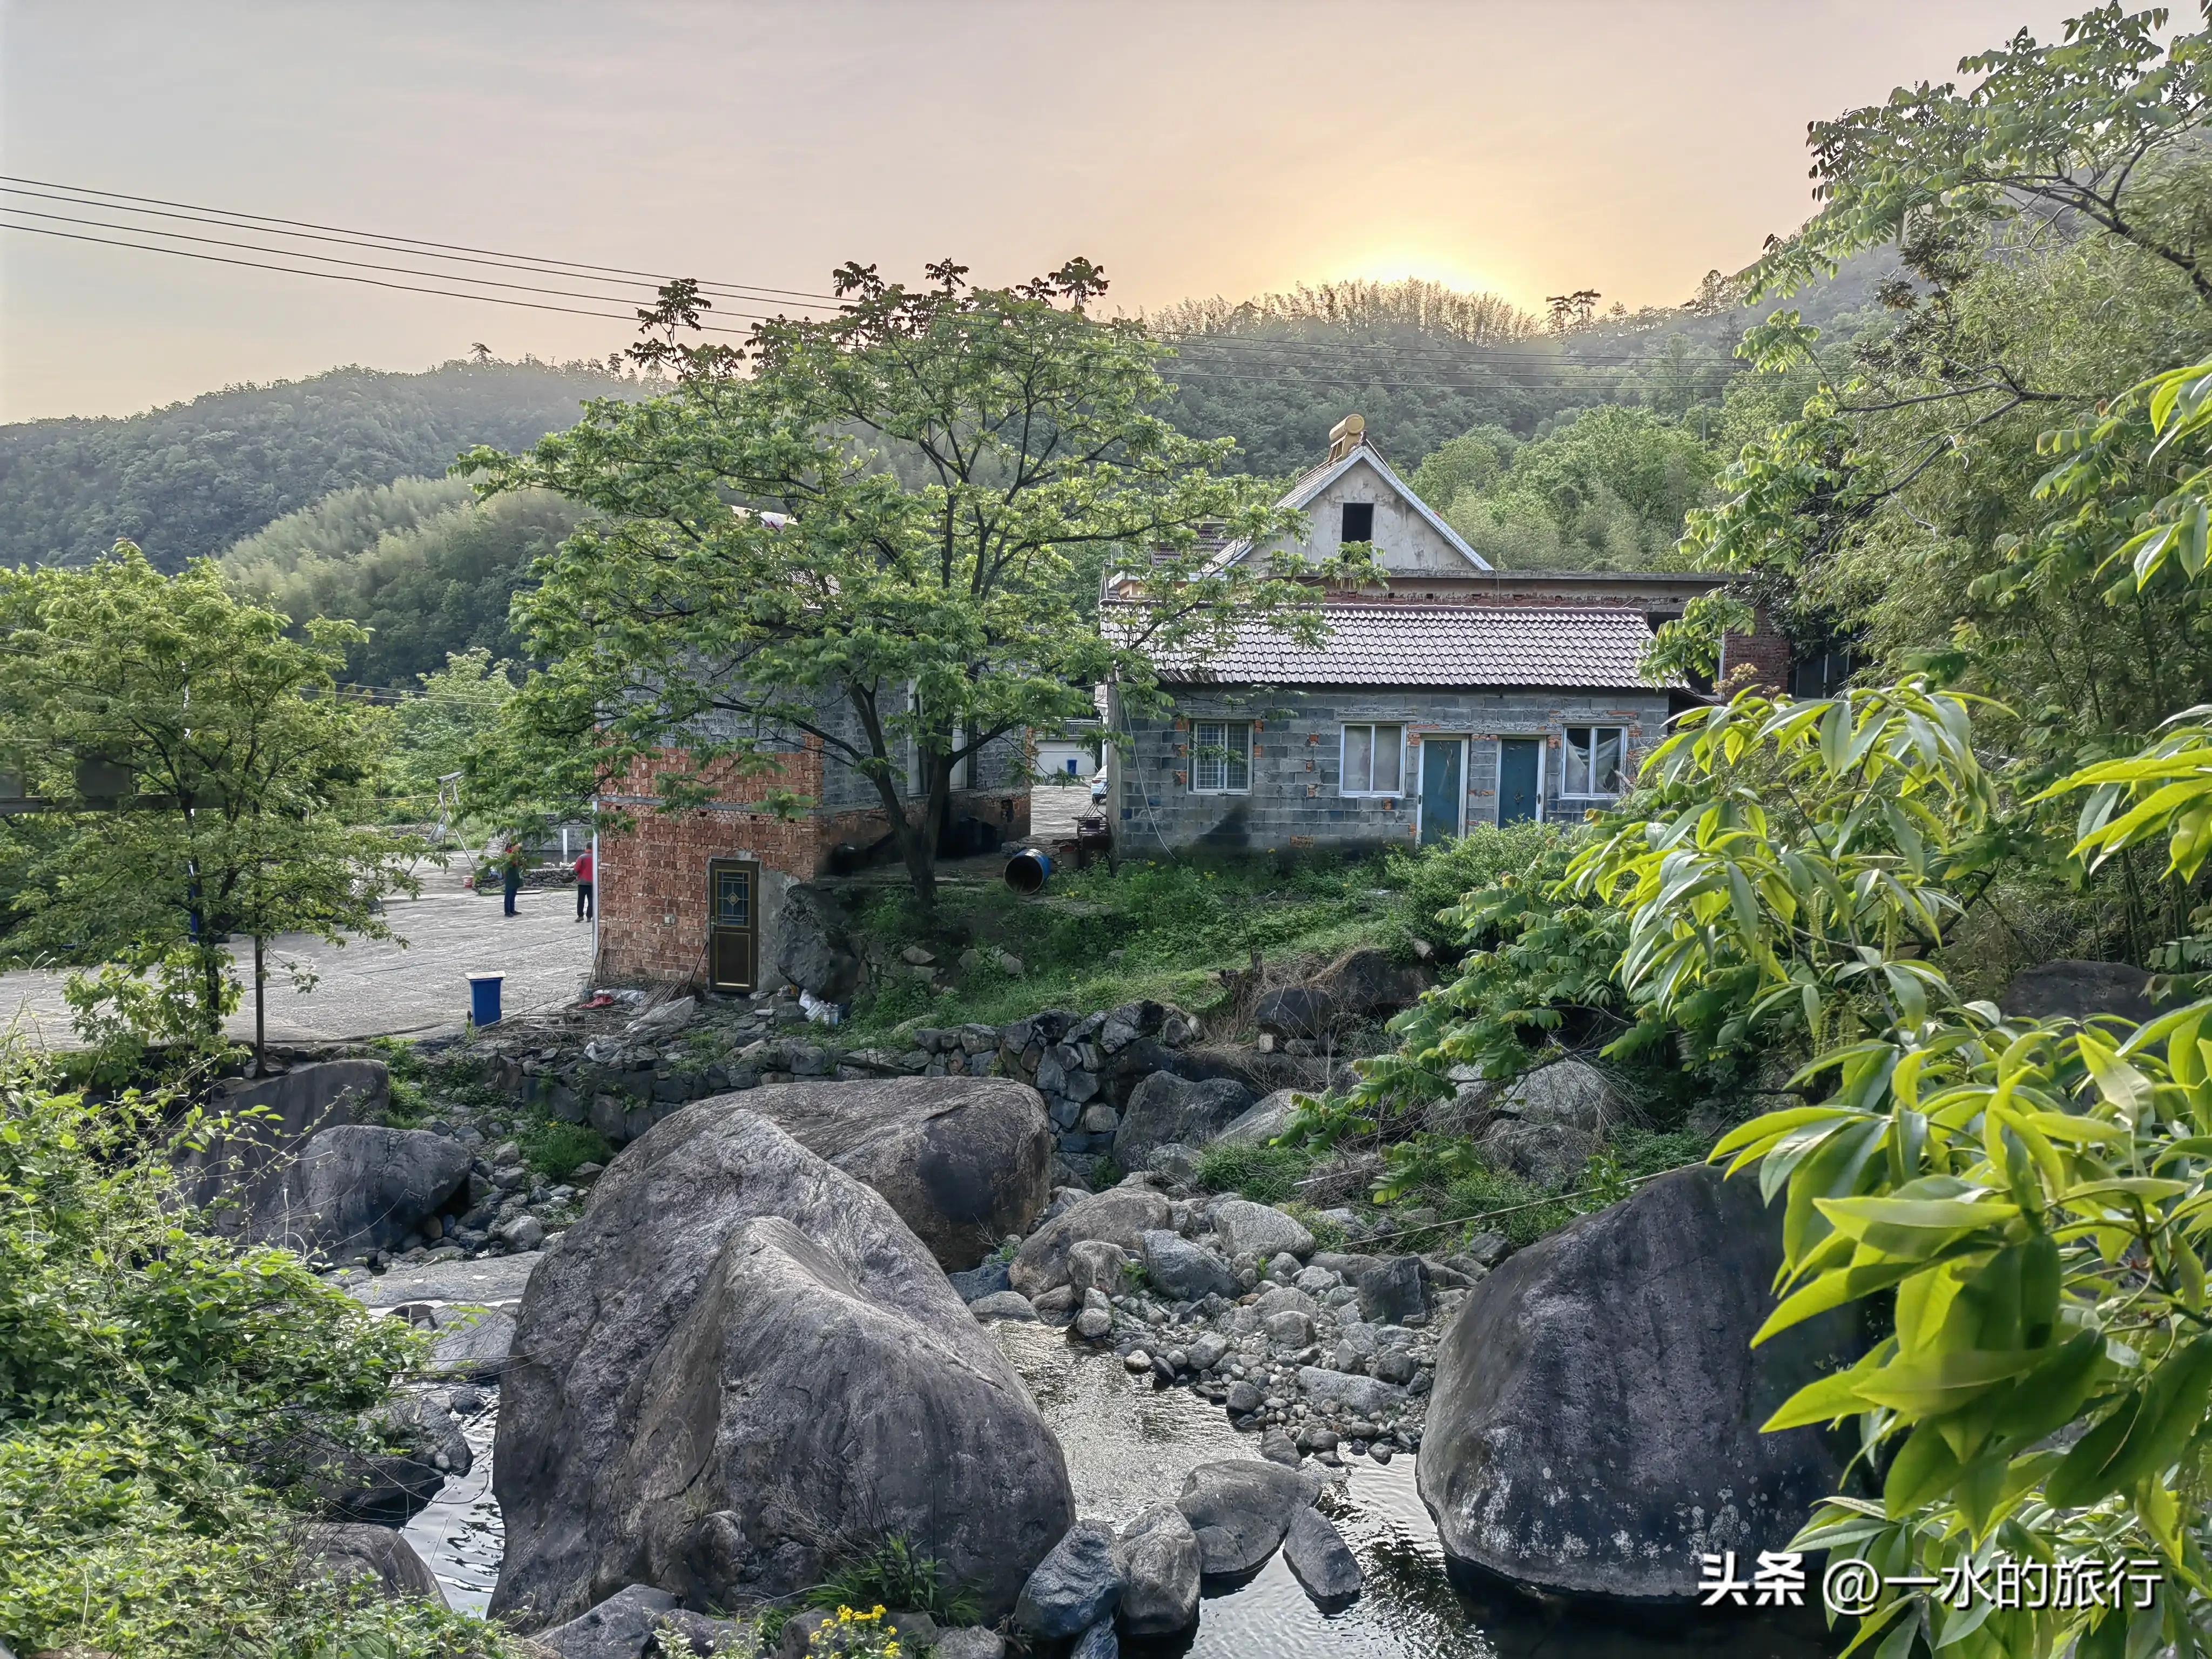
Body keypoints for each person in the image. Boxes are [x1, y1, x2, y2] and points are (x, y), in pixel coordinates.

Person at [499, 840, 524, 917]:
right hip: (510, 877)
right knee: (509, 894)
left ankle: (512, 910)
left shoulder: (516, 855)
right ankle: (507, 911)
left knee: (513, 894)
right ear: (512, 847)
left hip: (515, 876)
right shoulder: (508, 855)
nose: (519, 846)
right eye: (517, 845)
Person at [574, 846, 595, 922]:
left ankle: (580, 916)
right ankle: (589, 917)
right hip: (593, 883)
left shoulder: (582, 857)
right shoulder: (596, 858)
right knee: (591, 900)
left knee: (581, 900)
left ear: (586, 848)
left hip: (582, 882)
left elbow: (576, 869)